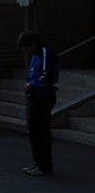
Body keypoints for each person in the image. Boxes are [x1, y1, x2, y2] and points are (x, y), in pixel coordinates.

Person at [19, 31, 58, 177]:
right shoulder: (36, 55)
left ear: (33, 44)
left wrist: (32, 85)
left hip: (42, 96)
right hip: (35, 95)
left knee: (41, 132)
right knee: (34, 131)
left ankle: (44, 165)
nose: (26, 51)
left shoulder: (45, 53)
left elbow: (47, 75)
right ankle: (38, 162)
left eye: (26, 47)